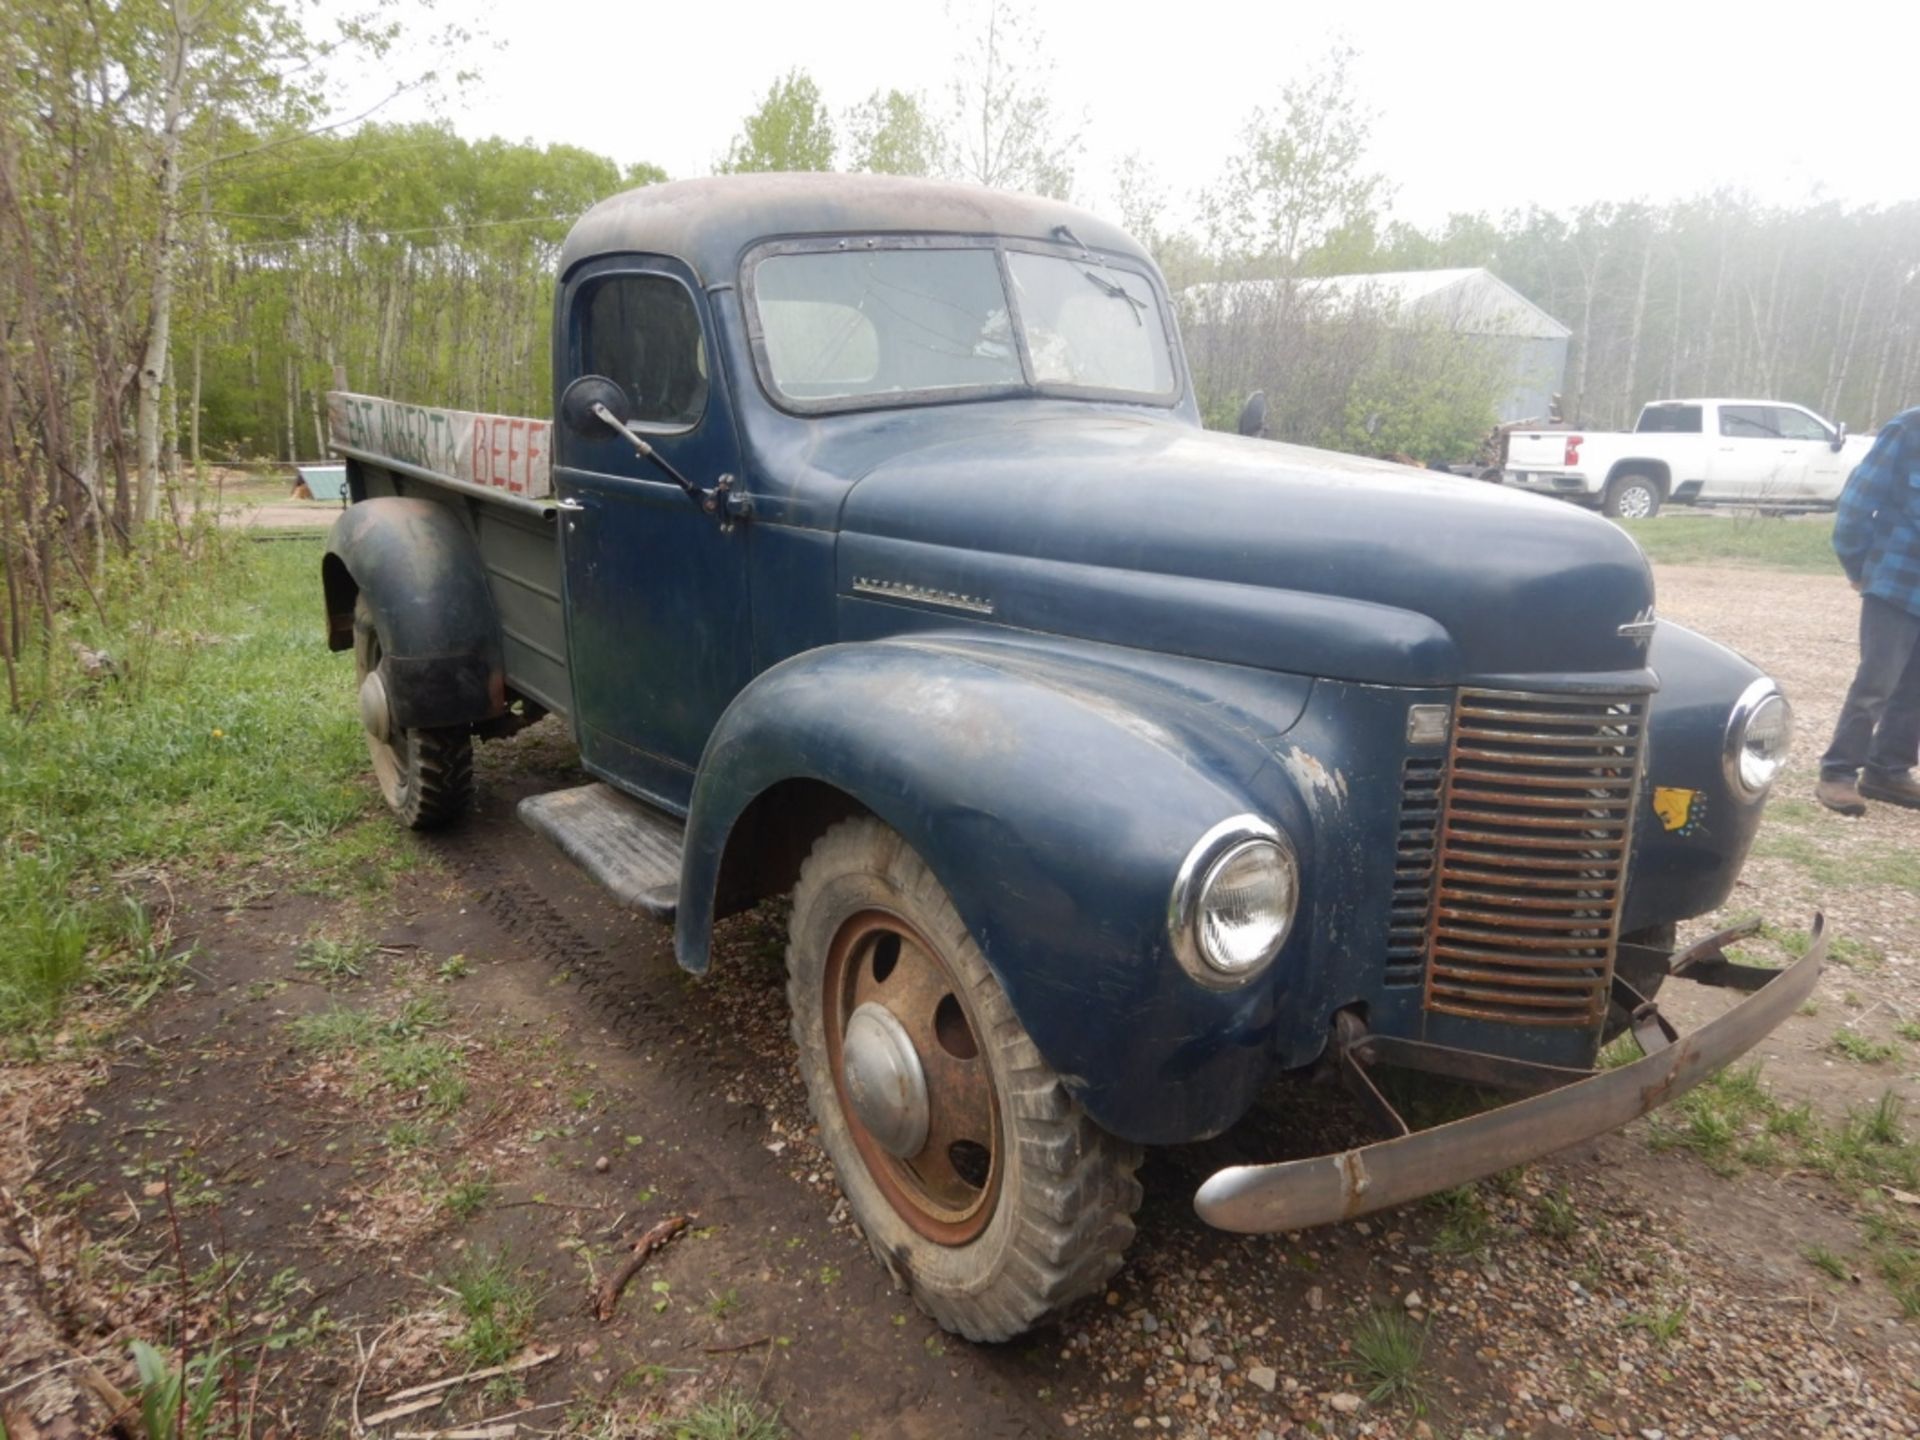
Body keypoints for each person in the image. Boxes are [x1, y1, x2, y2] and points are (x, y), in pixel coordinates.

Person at [1816, 407, 1920, 815]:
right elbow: (1858, 502)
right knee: (1877, 683)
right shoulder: (1909, 429)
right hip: (1897, 581)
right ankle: (1837, 773)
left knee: (1916, 688)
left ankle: (1887, 771)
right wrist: (1858, 566)